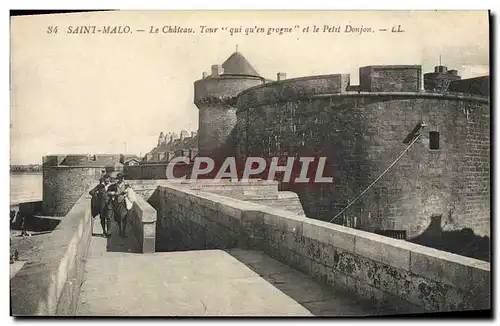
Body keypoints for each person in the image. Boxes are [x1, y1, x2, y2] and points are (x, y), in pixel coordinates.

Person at [108, 173, 129, 238]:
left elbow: (130, 192)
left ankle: (123, 232)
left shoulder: (126, 185)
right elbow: (109, 192)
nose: (120, 179)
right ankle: (120, 231)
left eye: (121, 178)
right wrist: (114, 193)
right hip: (117, 203)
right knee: (118, 218)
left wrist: (126, 193)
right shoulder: (114, 186)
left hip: (124, 203)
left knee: (124, 218)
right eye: (119, 178)